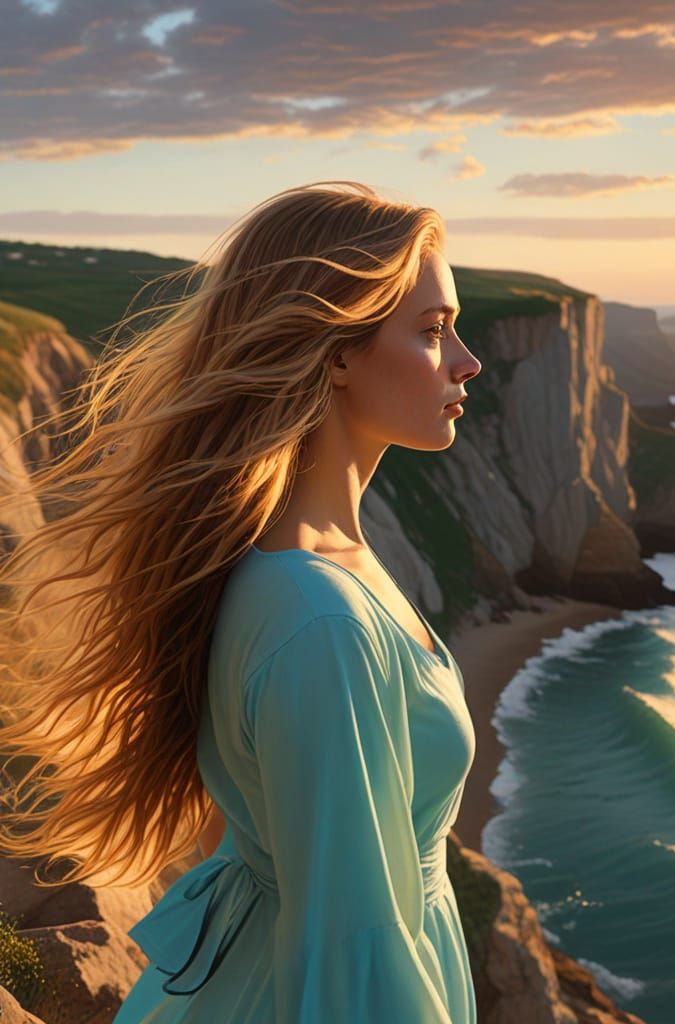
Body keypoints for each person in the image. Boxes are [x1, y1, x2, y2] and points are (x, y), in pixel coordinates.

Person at [0, 180, 482, 1021]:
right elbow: (351, 952)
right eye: (433, 332)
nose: (466, 361)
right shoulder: (319, 618)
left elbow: (249, 833)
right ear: (335, 352)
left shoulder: (305, 566)